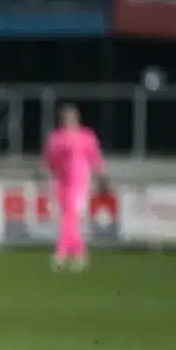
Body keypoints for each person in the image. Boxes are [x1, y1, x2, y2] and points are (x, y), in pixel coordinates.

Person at [43, 103, 107, 272]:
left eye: (71, 116)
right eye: (65, 117)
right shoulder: (56, 137)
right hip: (61, 180)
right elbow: (49, 158)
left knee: (71, 214)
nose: (68, 120)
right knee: (67, 216)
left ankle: (62, 253)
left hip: (79, 179)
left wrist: (100, 176)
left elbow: (95, 157)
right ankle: (79, 253)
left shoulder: (86, 136)